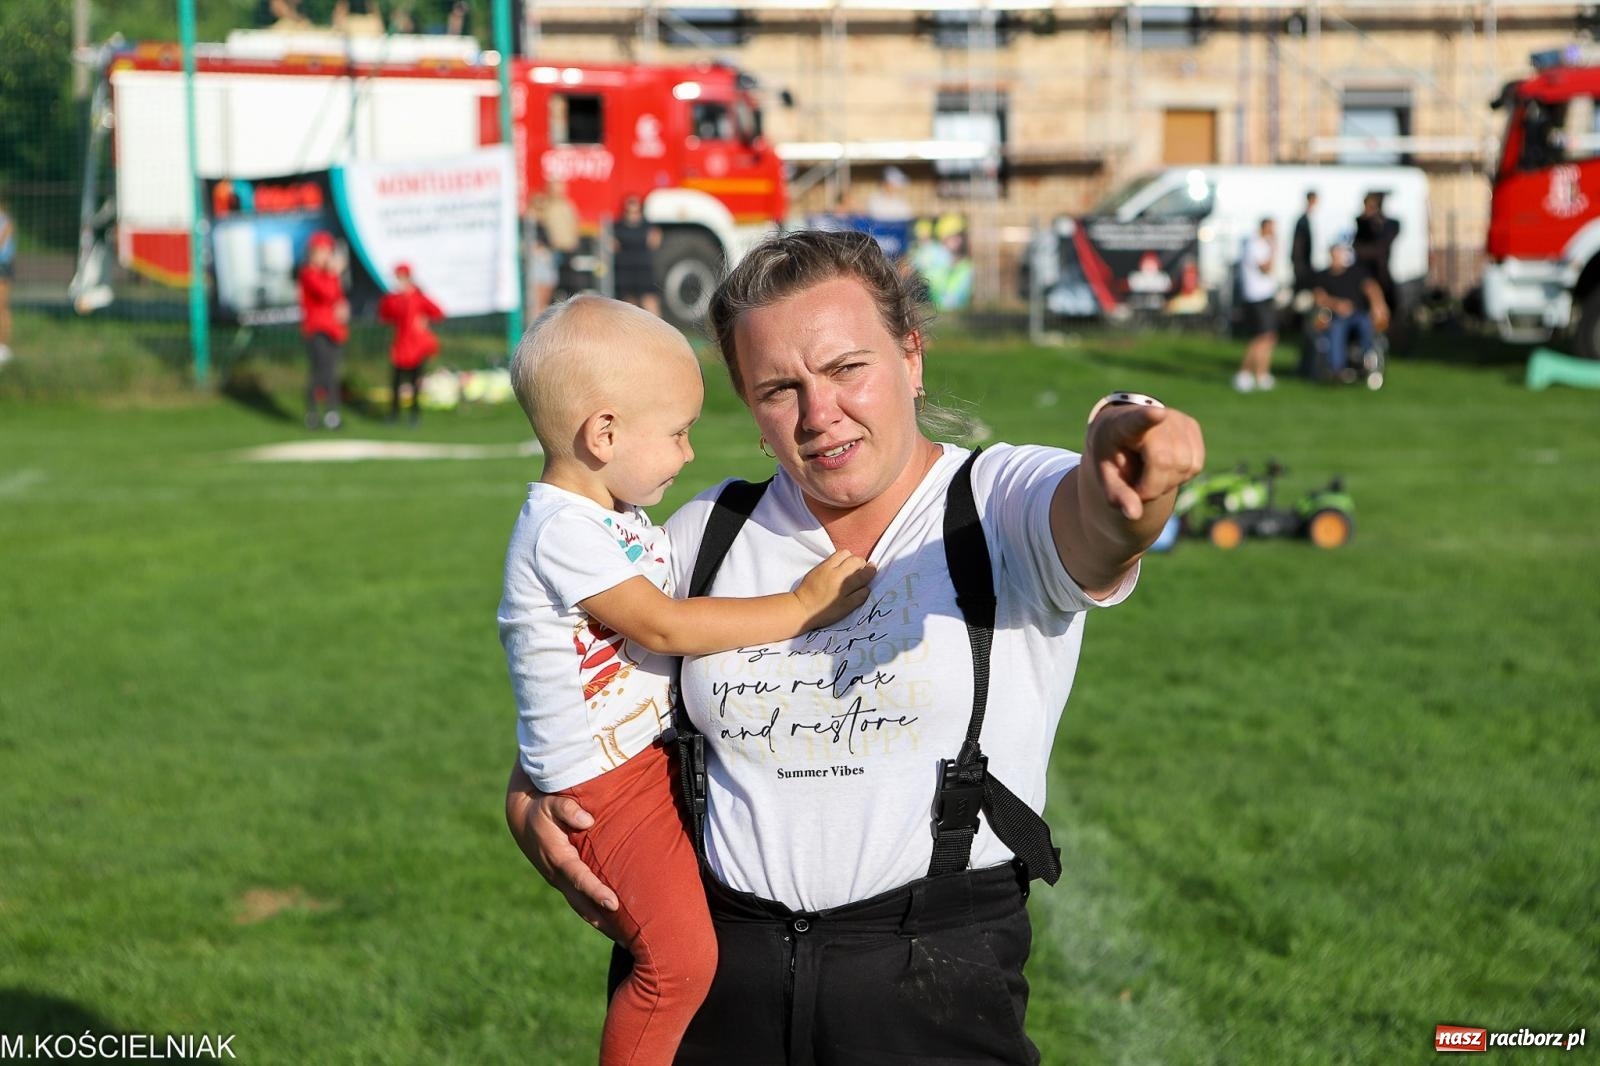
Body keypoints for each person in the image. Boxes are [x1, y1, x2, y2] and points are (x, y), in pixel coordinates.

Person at [506, 230, 1205, 1064]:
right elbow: (582, 682)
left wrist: (1129, 477)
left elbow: (1094, 521)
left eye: (847, 369)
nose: (818, 414)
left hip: (931, 998)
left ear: (911, 355)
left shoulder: (996, 504)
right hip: (721, 1003)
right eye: (778, 388)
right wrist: (528, 800)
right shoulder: (708, 532)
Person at [500, 294, 875, 1066]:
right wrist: (802, 607)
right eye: (676, 433)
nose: (688, 454)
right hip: (604, 786)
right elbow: (666, 627)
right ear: (603, 434)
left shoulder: (610, 512)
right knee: (677, 967)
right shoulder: (563, 530)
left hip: (635, 764)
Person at [377, 263, 444, 425]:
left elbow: (438, 312)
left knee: (414, 382)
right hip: (400, 346)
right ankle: (394, 414)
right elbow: (384, 315)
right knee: (396, 382)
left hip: (416, 346)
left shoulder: (418, 298)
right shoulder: (394, 299)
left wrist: (425, 319)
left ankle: (414, 414)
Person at [1311, 242, 1389, 381]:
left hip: (1358, 314)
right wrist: (1337, 305)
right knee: (1336, 328)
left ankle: (1368, 360)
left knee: (1365, 324)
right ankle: (1337, 369)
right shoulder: (1323, 276)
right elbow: (1319, 297)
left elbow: (1371, 288)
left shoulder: (1356, 273)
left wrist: (1378, 306)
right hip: (1336, 316)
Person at [298, 231, 349, 430]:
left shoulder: (328, 274)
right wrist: (333, 273)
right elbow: (326, 293)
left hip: (334, 329)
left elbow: (337, 297)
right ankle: (312, 413)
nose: (326, 256)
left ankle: (332, 413)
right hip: (316, 328)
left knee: (332, 372)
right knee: (320, 372)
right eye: (322, 252)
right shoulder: (309, 273)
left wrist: (343, 306)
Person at [1234, 217, 1279, 393]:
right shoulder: (1254, 245)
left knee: (1269, 337)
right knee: (1260, 337)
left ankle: (1262, 374)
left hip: (1266, 294)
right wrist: (1274, 250)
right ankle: (1244, 373)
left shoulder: (1263, 244)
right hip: (1256, 296)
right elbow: (1265, 268)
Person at [1352, 191, 1400, 324]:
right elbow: (1359, 248)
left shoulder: (1391, 224)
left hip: (1381, 273)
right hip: (1365, 274)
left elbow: (1381, 247)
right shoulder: (1361, 224)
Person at [613, 195, 661, 317]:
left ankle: (657, 330)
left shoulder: (648, 226)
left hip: (644, 269)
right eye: (630, 211)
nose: (633, 215)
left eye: (636, 211)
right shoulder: (618, 227)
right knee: (629, 303)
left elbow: (655, 242)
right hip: (626, 269)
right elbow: (613, 246)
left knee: (649, 300)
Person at [1290, 189, 1318, 306]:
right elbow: (1298, 246)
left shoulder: (1308, 219)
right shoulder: (1303, 221)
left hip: (1306, 265)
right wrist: (1299, 266)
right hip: (1303, 267)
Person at [0, 197, 14, 365]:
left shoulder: (5, 221)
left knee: (1, 305)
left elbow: (2, 242)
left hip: (2, 265)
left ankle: (2, 345)